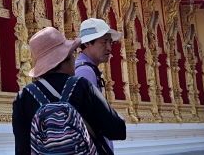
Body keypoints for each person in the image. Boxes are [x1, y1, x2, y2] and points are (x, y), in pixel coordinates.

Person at [12, 27, 125, 155]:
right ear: (67, 57)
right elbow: (118, 130)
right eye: (73, 53)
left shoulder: (24, 97)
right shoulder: (82, 87)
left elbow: (22, 150)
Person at [75, 18, 123, 152]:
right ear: (88, 43)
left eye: (110, 42)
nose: (109, 47)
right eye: (104, 42)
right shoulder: (85, 71)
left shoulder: (87, 69)